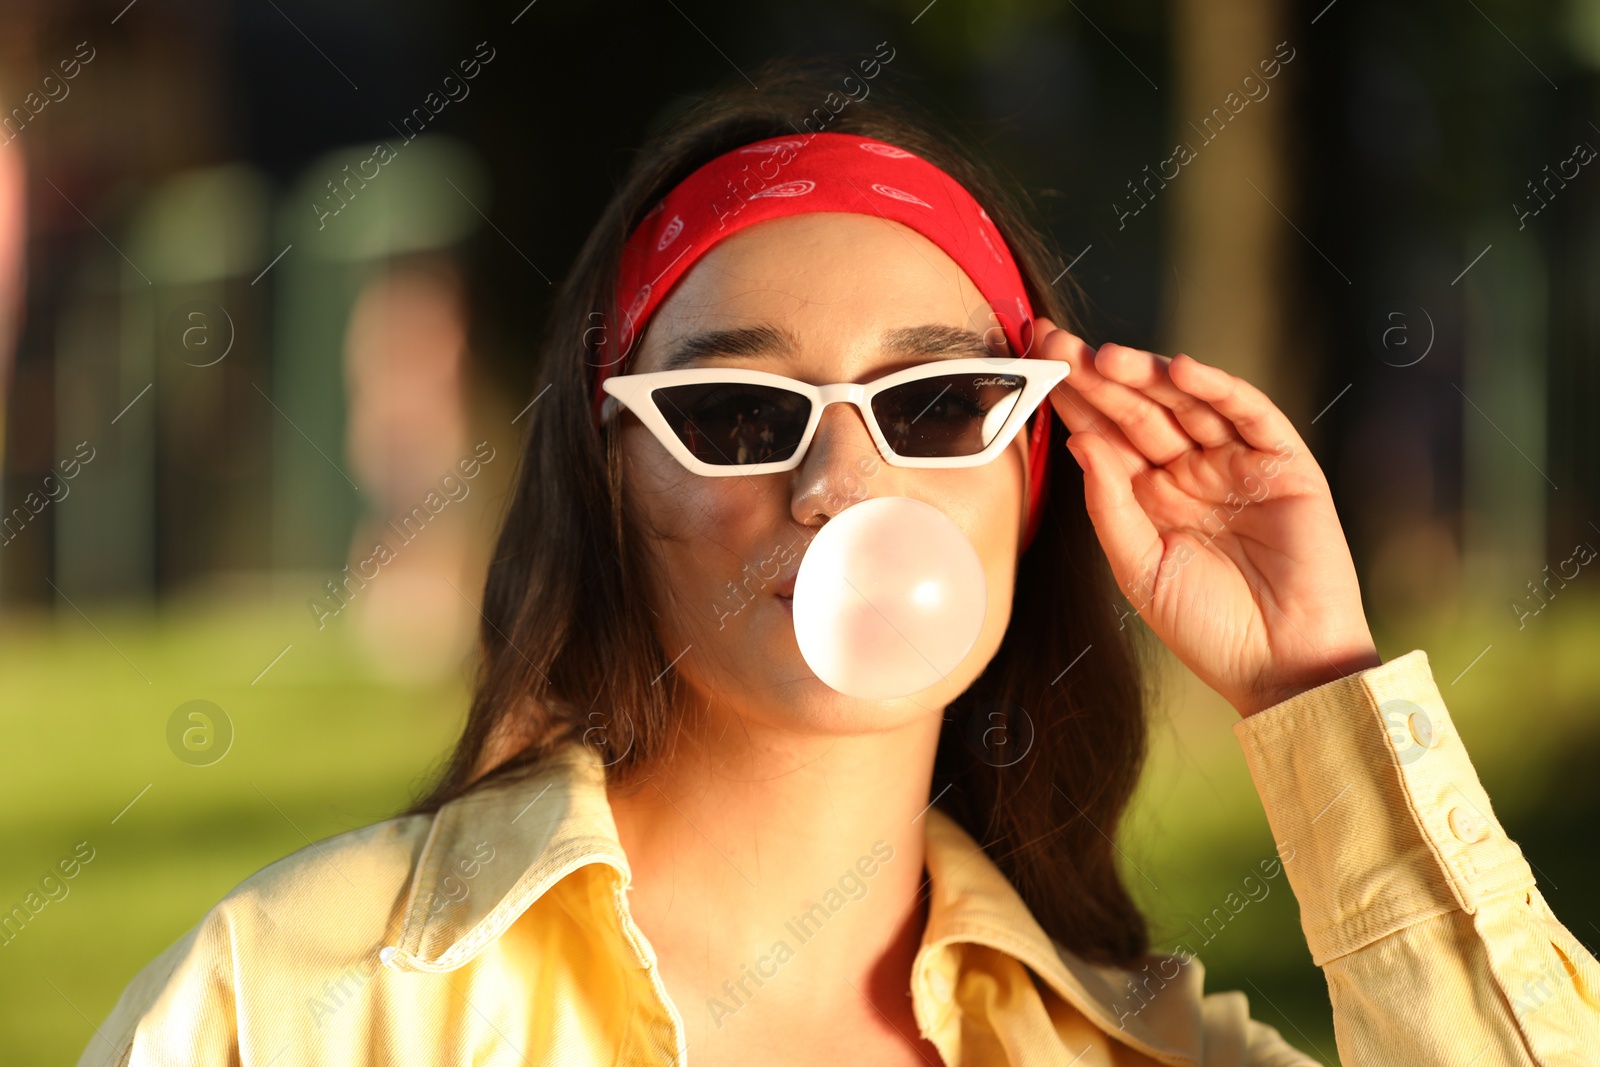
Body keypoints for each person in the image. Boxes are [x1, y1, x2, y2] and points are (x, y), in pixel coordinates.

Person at [78, 58, 1597, 1067]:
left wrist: (1313, 685)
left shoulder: (1136, 1054)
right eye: (738, 411)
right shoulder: (295, 1001)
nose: (839, 480)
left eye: (936, 404)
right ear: (607, 485)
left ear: (1034, 469)